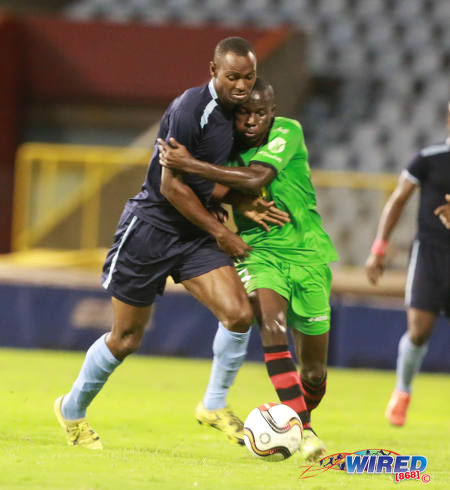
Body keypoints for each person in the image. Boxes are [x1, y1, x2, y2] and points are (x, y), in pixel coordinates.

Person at [54, 37, 268, 449]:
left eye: (248, 76)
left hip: (194, 234)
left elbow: (213, 177)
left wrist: (239, 204)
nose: (242, 85)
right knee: (126, 339)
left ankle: (214, 405)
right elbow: (172, 186)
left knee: (240, 314)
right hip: (150, 230)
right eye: (233, 76)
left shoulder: (239, 114)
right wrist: (222, 232)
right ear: (213, 71)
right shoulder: (190, 109)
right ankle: (73, 408)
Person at [158, 78, 339, 461]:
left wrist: (191, 164)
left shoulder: (288, 131)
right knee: (269, 324)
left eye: (261, 113)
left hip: (308, 256)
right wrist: (233, 200)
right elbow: (215, 193)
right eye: (244, 113)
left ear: (273, 112)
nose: (252, 121)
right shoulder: (225, 149)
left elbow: (257, 177)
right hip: (260, 253)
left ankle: (297, 413)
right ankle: (304, 433)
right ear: (234, 114)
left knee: (314, 374)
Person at [365, 101, 450, 427]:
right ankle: (402, 390)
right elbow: (398, 199)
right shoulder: (429, 159)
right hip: (430, 254)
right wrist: (379, 247)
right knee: (419, 331)